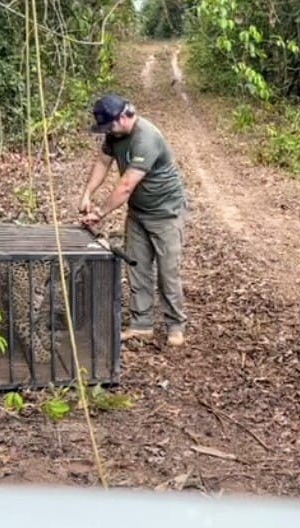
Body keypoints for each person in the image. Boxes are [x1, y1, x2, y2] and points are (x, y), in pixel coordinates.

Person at [78, 93, 189, 347]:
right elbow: (103, 162)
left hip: (166, 213)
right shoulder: (114, 133)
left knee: (167, 271)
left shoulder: (146, 138)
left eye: (111, 126)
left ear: (124, 116)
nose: (110, 132)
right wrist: (86, 195)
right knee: (137, 266)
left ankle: (175, 325)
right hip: (138, 211)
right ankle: (142, 323)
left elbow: (126, 185)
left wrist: (100, 213)